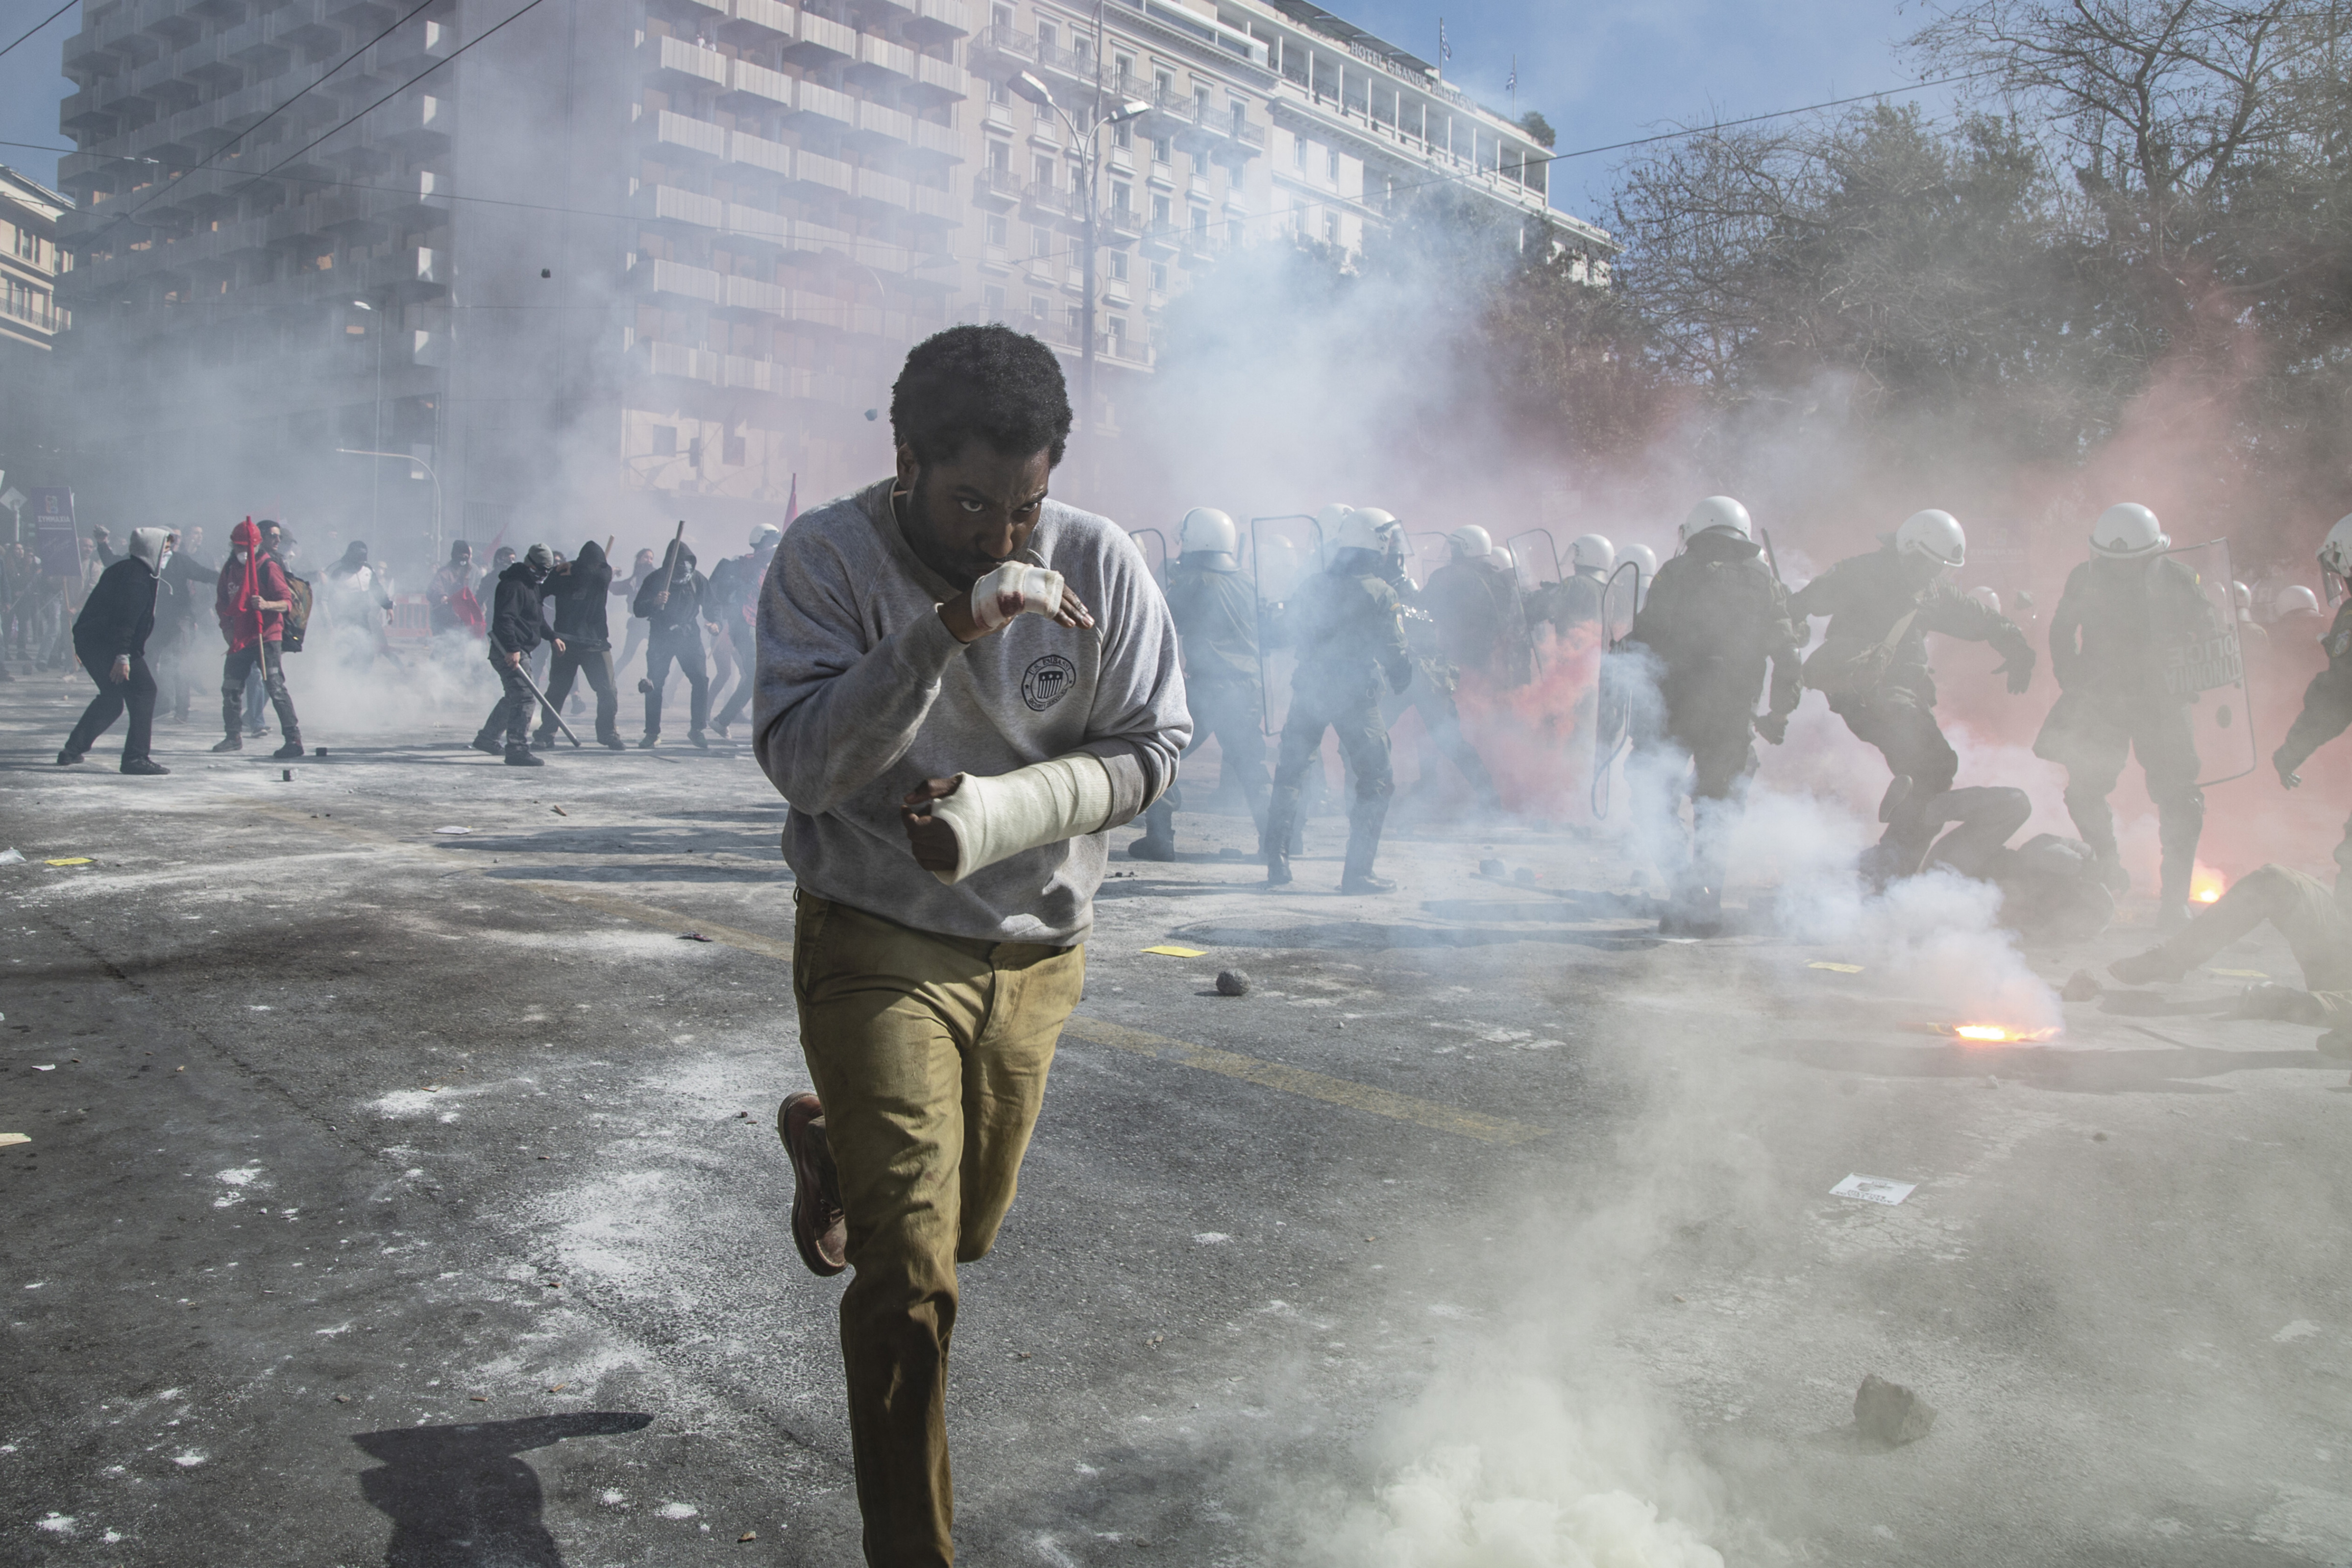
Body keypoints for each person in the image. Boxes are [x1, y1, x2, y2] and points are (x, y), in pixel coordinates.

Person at [755, 324, 1186, 1568]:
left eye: (1024, 505)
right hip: (876, 938)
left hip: (1035, 948)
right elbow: (802, 763)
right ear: (904, 460)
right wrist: (942, 629)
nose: (1002, 534)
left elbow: (1155, 747)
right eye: (969, 502)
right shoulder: (828, 558)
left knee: (968, 1230)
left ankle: (834, 1140)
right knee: (911, 1278)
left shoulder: (1100, 560)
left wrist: (1012, 808)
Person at [1787, 510, 2036, 879]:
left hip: (1899, 695)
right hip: (1864, 693)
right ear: (1908, 548)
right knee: (1927, 761)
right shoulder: (1860, 573)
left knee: (1935, 772)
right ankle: (1894, 849)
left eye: (1940, 567)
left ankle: (1894, 860)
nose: (1932, 572)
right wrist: (1791, 629)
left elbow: (1980, 618)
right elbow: (1805, 602)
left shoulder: (1932, 589)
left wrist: (2017, 647)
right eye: (1928, 563)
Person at [1616, 496, 1801, 934]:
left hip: (1673, 712)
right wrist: (1778, 716)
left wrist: (1622, 657)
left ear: (1697, 529)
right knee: (1718, 812)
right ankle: (1707, 908)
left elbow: (1646, 639)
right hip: (1733, 718)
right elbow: (1790, 657)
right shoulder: (1765, 582)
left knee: (1651, 797)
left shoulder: (1675, 573)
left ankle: (1683, 892)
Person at [2032, 502, 2215, 927]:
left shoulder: (2180, 580)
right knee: (2084, 789)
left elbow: (2209, 633)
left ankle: (2174, 902)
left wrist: (2196, 672)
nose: (2119, 570)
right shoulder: (2085, 578)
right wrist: (2073, 681)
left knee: (2181, 798)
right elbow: (2062, 630)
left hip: (2163, 704)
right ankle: (2108, 866)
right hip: (2103, 700)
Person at [1263, 506, 1413, 893]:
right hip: (1354, 697)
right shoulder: (1382, 592)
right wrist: (1402, 675)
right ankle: (1358, 873)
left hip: (1310, 689)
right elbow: (1395, 651)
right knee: (1377, 777)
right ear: (1377, 542)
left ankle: (1277, 862)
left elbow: (1285, 630)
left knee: (1292, 773)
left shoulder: (1313, 584)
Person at [1130, 506, 1269, 858]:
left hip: (1209, 690)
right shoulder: (1248, 580)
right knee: (1253, 769)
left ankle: (1160, 840)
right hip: (1247, 690)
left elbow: (1160, 620)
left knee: (1164, 753)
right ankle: (1277, 843)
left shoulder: (1195, 582)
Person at [1367, 509, 1502, 814]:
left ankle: (1367, 798)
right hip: (1438, 671)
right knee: (1446, 737)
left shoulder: (1446, 578)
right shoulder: (1495, 579)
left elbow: (1419, 612)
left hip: (1416, 670)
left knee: (1371, 730)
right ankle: (1488, 797)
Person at [57, 527, 172, 775]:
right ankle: (135, 758)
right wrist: (122, 656)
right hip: (107, 644)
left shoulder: (125, 569)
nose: (167, 553)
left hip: (92, 642)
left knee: (112, 698)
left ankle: (71, 750)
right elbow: (125, 620)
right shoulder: (137, 577)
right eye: (165, 548)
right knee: (145, 690)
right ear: (152, 549)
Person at [213, 518, 304, 758]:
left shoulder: (268, 566)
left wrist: (266, 604)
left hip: (267, 635)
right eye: (238, 547)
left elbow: (287, 602)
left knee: (274, 687)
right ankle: (233, 736)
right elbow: (222, 602)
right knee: (230, 688)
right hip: (241, 637)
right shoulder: (230, 568)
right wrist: (226, 629)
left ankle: (293, 739)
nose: (242, 552)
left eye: (247, 547)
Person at [535, 539, 624, 750]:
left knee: (608, 691)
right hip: (565, 642)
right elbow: (540, 593)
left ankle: (608, 734)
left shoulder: (603, 575)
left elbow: (597, 573)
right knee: (557, 691)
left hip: (596, 644)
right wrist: (559, 572)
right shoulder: (565, 575)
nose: (594, 568)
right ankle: (546, 733)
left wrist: (564, 570)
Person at [1424, 525, 1534, 690]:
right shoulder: (1502, 582)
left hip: (1460, 665)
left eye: (1455, 548)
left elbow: (1423, 608)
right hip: (1496, 664)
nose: (1453, 553)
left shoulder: (1446, 578)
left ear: (1468, 548)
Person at [474, 544, 555, 766]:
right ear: (530, 564)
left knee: (514, 696)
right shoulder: (513, 585)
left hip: (520, 649)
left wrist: (552, 636)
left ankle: (487, 738)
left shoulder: (532, 587)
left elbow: (537, 618)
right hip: (508, 650)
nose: (544, 575)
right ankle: (517, 748)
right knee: (525, 697)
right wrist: (512, 649)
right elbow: (504, 619)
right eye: (541, 569)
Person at [633, 539, 717, 748]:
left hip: (689, 637)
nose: (683, 567)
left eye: (686, 563)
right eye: (678, 563)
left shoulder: (697, 579)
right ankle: (652, 733)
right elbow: (638, 609)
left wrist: (714, 622)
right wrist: (654, 602)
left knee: (700, 680)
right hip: (661, 636)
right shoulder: (656, 579)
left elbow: (712, 606)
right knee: (655, 684)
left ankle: (697, 729)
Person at [710, 524, 783, 737]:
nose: (774, 547)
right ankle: (726, 720)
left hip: (757, 627)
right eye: (771, 542)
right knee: (755, 676)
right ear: (760, 543)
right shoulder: (746, 563)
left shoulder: (765, 570)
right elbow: (763, 556)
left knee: (761, 675)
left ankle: (749, 723)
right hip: (743, 625)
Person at [155, 529, 216, 719]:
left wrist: (231, 576)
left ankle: (181, 710)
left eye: (171, 540)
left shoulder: (181, 561)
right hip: (157, 622)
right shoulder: (150, 562)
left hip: (181, 621)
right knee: (159, 664)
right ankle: (164, 704)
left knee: (181, 665)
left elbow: (205, 575)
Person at [614, 546, 660, 679]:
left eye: (651, 558)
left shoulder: (657, 577)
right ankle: (610, 683)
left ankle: (658, 687)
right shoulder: (634, 580)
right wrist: (609, 573)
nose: (649, 561)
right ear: (639, 560)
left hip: (652, 622)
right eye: (646, 557)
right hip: (637, 622)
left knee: (657, 656)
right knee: (627, 655)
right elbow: (616, 588)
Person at [426, 539, 484, 637]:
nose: (464, 559)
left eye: (467, 556)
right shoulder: (445, 572)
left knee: (462, 647)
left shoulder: (474, 571)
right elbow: (433, 589)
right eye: (461, 556)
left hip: (464, 617)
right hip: (444, 617)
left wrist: (479, 605)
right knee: (444, 647)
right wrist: (442, 596)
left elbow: (478, 588)